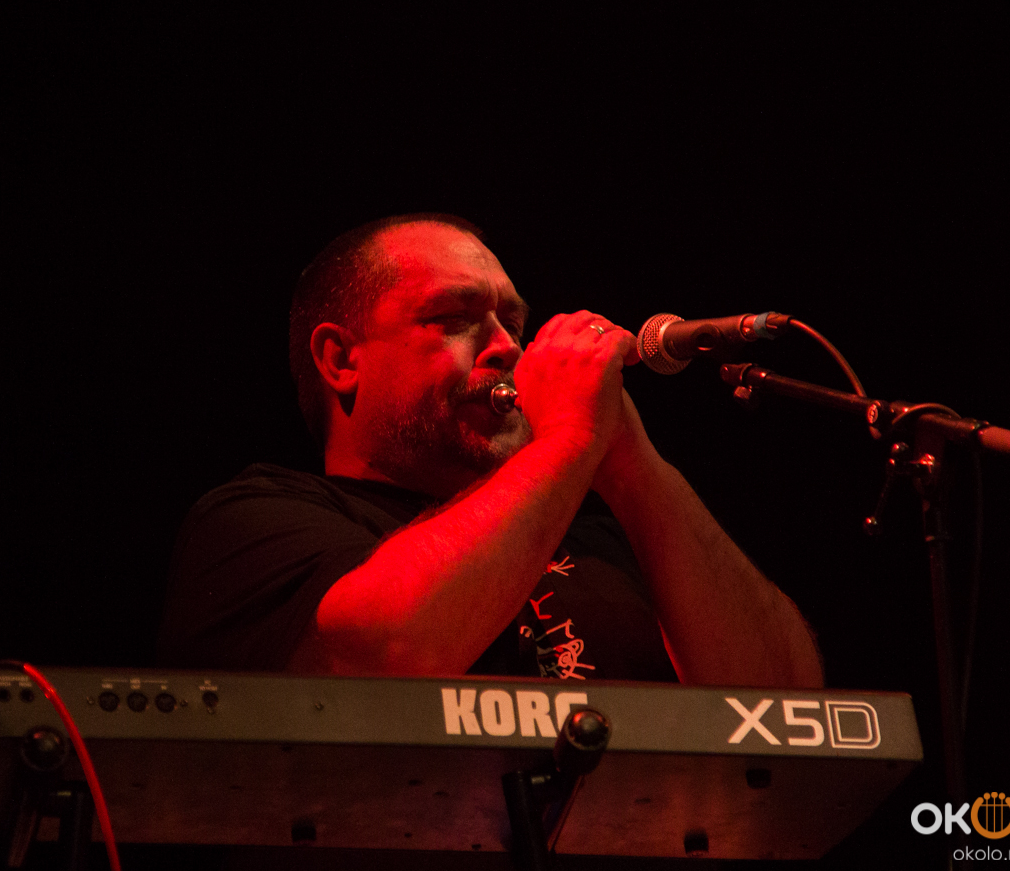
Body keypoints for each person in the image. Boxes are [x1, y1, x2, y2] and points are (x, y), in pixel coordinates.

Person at [158, 214, 823, 688]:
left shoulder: (609, 539)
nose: (507, 346)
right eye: (455, 318)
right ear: (340, 359)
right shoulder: (254, 520)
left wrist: (633, 463)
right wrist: (568, 440)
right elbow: (383, 653)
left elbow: (788, 706)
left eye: (514, 322)